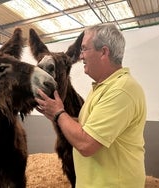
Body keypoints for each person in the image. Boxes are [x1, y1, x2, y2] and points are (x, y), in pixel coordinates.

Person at [35, 23, 146, 188]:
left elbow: (87, 144)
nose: (80, 56)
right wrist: (55, 115)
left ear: (104, 52)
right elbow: (87, 128)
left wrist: (59, 113)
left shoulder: (121, 91)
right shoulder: (102, 88)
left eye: (84, 49)